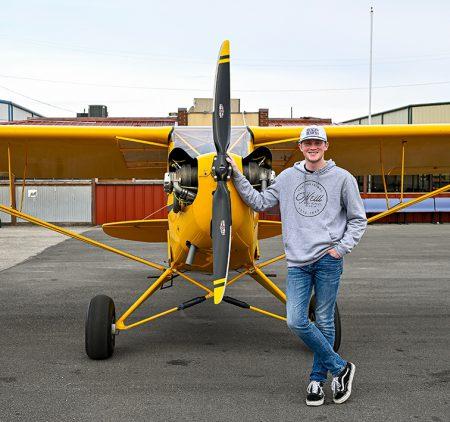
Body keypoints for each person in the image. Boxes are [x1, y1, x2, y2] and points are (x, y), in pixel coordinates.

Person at [227, 125, 367, 406]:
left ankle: (317, 380)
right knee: (296, 321)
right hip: (297, 262)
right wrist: (236, 175)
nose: (313, 147)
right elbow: (260, 201)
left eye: (317, 142)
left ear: (326, 146)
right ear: (300, 147)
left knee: (325, 321)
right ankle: (341, 368)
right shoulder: (288, 177)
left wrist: (340, 249)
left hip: (328, 260)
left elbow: (358, 219)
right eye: (307, 143)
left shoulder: (343, 178)